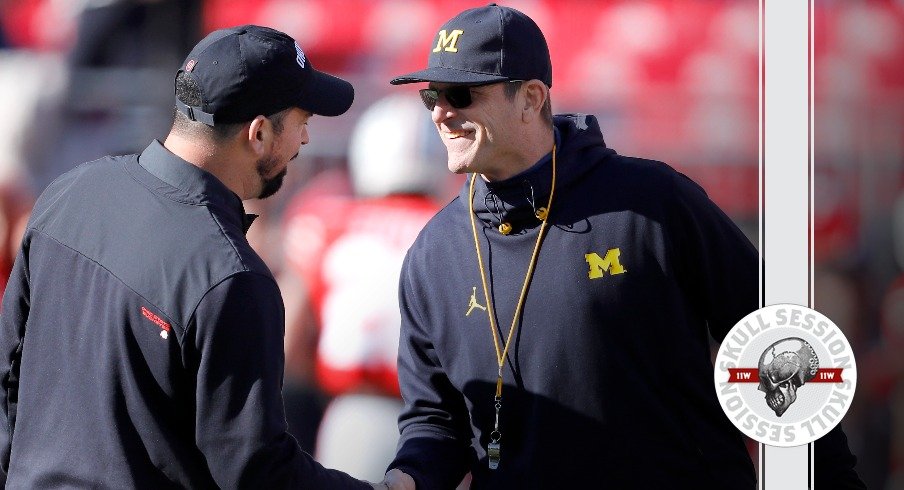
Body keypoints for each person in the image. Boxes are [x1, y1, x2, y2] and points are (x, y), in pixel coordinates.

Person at [384, 4, 865, 489]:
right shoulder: (432, 254)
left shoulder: (652, 203)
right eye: (432, 98)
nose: (442, 114)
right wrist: (403, 482)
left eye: (461, 94)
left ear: (530, 98)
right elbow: (436, 425)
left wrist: (831, 478)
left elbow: (778, 340)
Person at [0, 24, 403, 489]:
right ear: (258, 134)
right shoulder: (230, 276)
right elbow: (255, 473)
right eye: (302, 121)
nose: (306, 141)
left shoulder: (66, 193)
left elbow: (8, 376)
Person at [281, 94, 447, 482]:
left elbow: (287, 339)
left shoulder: (329, 224)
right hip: (442, 424)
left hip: (355, 413)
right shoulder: (454, 232)